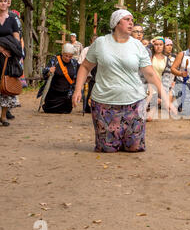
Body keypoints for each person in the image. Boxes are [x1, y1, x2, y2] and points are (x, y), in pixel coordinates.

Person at [72, 9, 176, 153]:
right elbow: (85, 66)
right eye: (127, 19)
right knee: (108, 149)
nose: (131, 22)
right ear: (116, 23)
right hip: (104, 104)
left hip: (134, 103)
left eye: (132, 20)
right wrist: (78, 90)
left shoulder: (138, 46)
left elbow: (151, 74)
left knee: (134, 147)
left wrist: (165, 98)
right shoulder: (101, 43)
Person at [0, 0, 21, 126]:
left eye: (5, 1)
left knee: (5, 86)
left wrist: (12, 49)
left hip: (8, 58)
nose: (4, 3)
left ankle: (3, 117)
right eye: (0, 1)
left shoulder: (12, 20)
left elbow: (16, 38)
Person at [38, 43, 79, 114]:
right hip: (53, 94)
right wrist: (49, 71)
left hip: (66, 95)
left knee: (66, 111)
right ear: (62, 53)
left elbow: (78, 76)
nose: (68, 58)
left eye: (70, 56)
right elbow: (44, 73)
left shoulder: (74, 63)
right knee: (50, 111)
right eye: (66, 55)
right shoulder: (55, 60)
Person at [146, 36, 168, 120]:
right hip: (147, 84)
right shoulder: (149, 56)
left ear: (163, 46)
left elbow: (166, 77)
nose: (158, 46)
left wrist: (162, 93)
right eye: (156, 44)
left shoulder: (166, 59)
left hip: (158, 86)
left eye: (160, 44)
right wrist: (149, 44)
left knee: (149, 118)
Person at [78, 35, 98, 113]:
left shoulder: (102, 51)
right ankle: (87, 107)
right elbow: (81, 63)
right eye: (94, 41)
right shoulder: (86, 50)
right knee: (88, 92)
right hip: (88, 74)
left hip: (98, 74)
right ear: (91, 41)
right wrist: (86, 75)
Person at [162, 38, 176, 102]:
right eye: (167, 45)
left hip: (172, 82)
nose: (170, 47)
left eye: (171, 45)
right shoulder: (160, 56)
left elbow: (177, 69)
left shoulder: (175, 56)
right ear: (164, 46)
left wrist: (175, 81)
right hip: (162, 82)